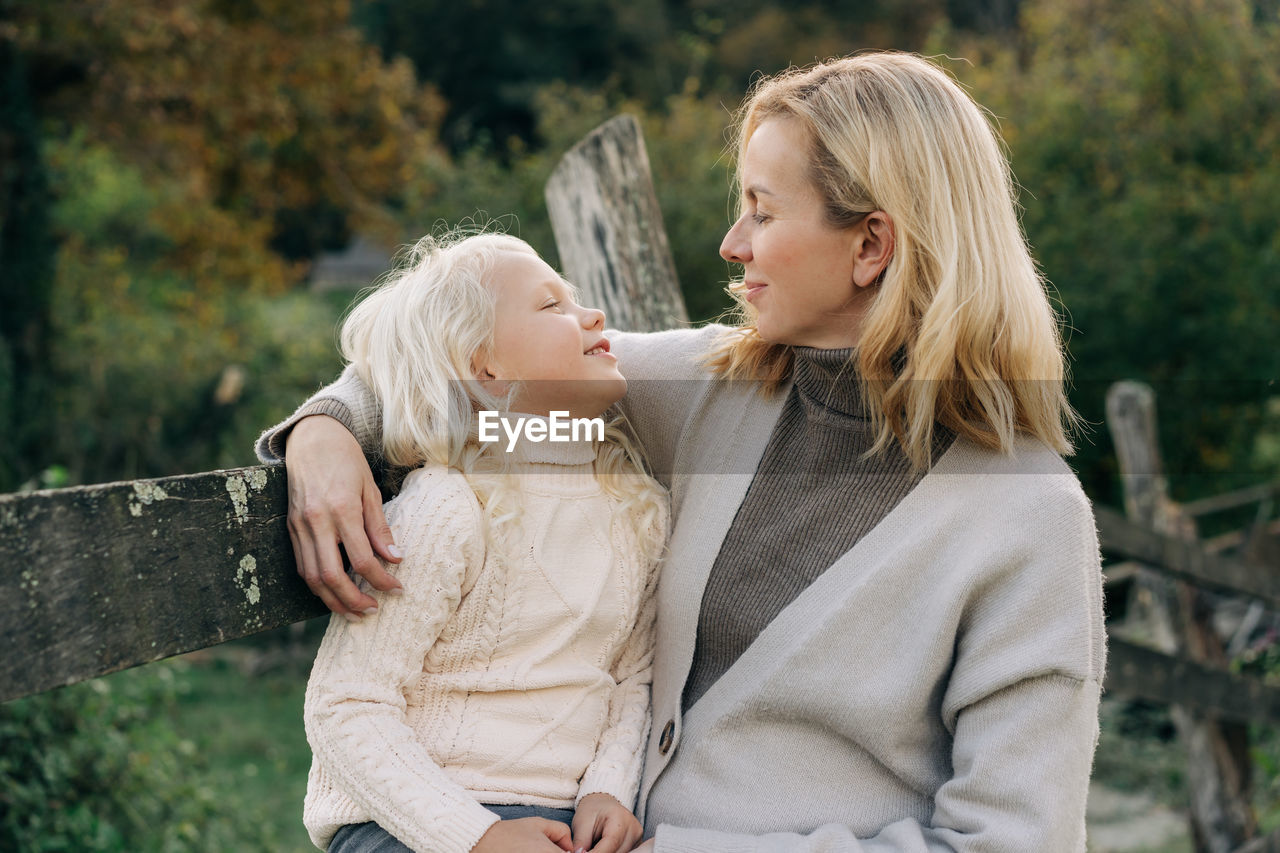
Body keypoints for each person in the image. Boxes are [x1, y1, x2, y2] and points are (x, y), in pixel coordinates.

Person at [259, 52, 1106, 851]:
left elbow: (1012, 838)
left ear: (872, 246)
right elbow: (471, 367)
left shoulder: (1028, 516)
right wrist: (327, 431)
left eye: (763, 211)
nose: (733, 244)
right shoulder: (703, 393)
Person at [294, 231, 669, 853]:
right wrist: (478, 835)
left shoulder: (637, 509)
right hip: (405, 819)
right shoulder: (451, 506)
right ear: (484, 366)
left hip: (557, 821)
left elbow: (633, 675)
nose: (593, 317)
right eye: (552, 307)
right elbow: (347, 703)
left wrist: (608, 788)